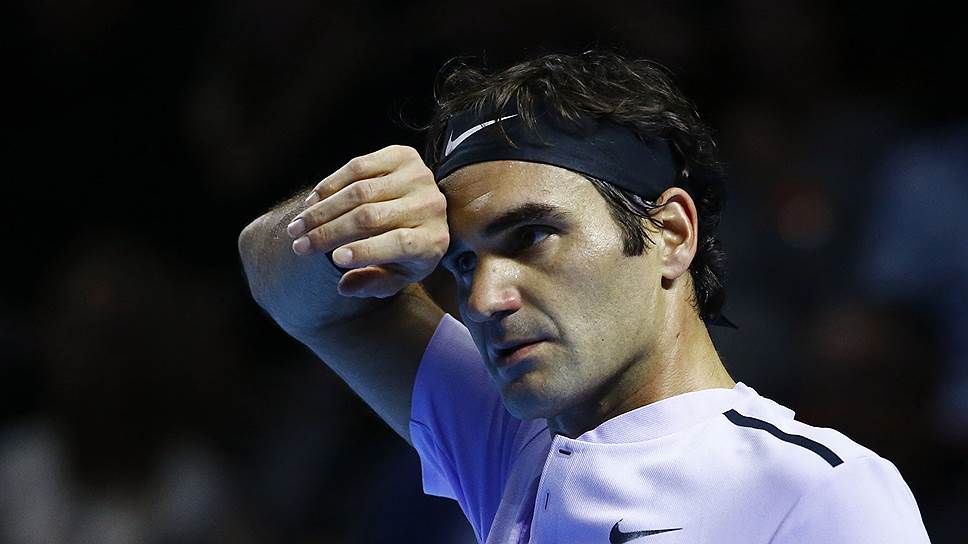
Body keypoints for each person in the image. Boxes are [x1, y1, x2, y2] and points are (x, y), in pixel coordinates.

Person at [238, 50, 930, 543]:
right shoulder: (511, 443)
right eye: (463, 261)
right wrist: (349, 219)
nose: (483, 298)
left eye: (532, 236)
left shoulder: (820, 490)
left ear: (671, 233)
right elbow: (280, 284)